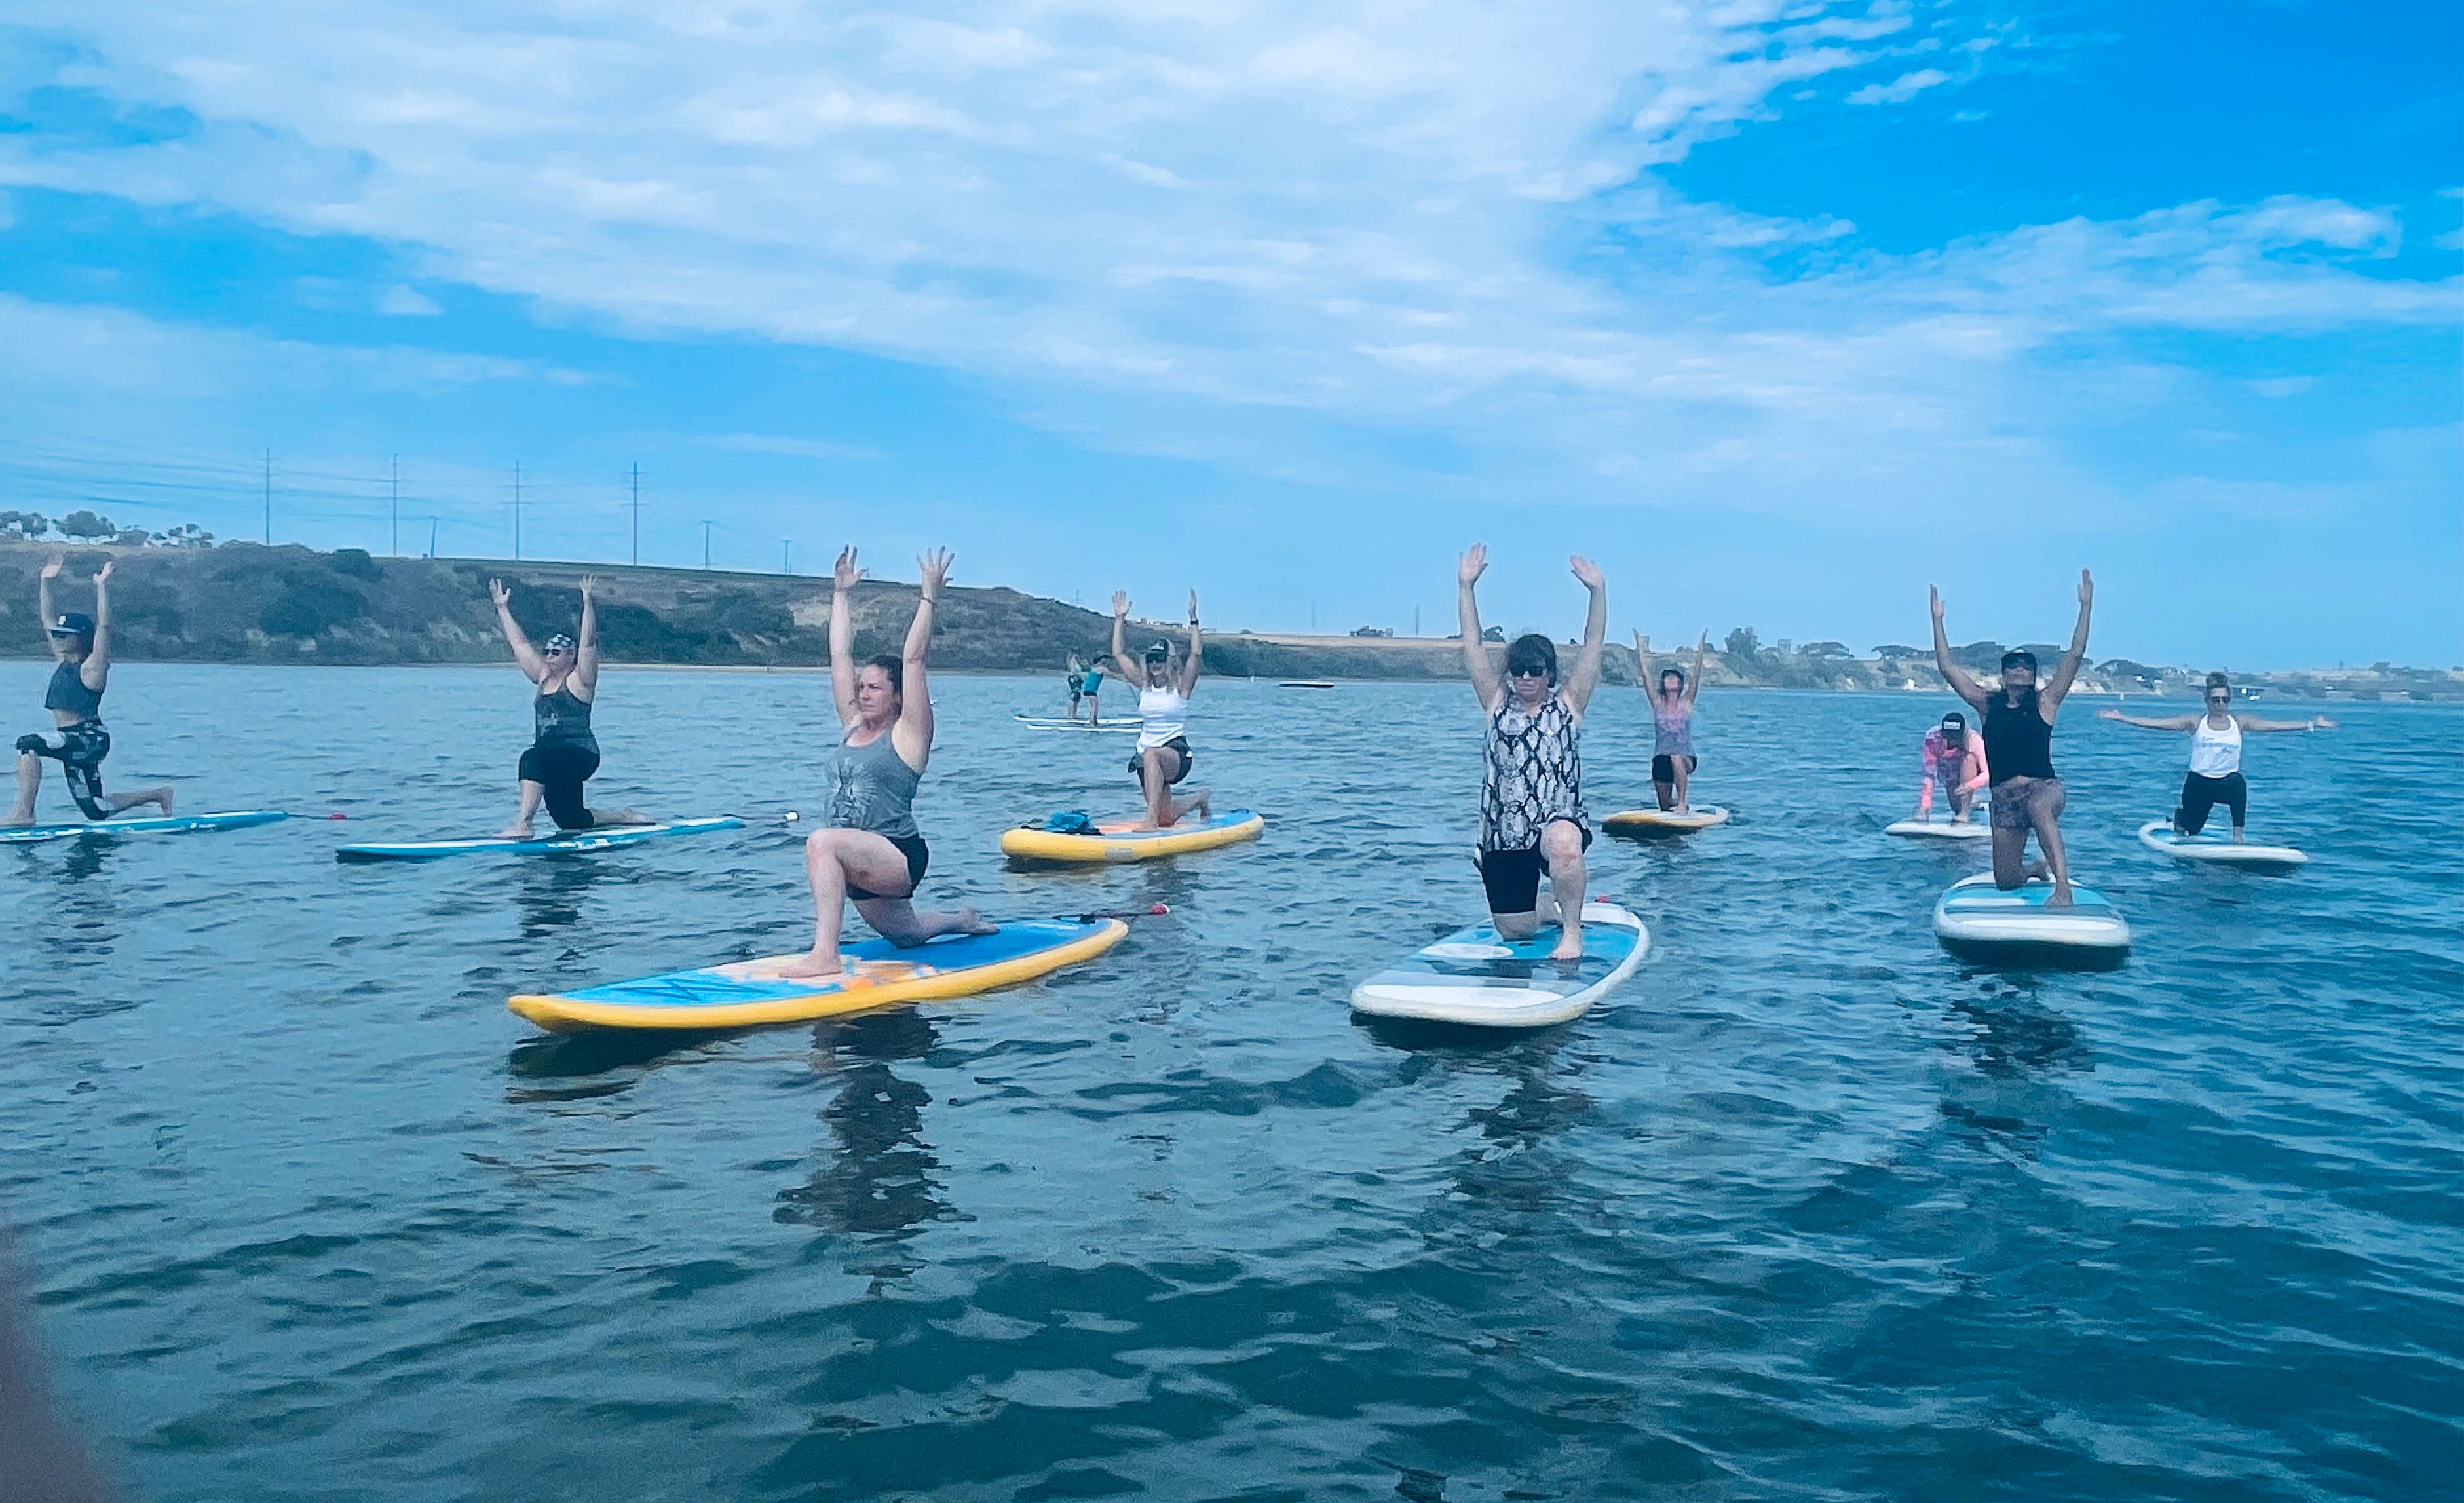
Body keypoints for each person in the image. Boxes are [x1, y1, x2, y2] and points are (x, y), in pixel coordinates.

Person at [786, 547, 996, 978]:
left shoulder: (909, 735)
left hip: (898, 856)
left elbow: (915, 660)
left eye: (875, 688)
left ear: (897, 696)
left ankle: (825, 954)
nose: (863, 694)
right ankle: (962, 920)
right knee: (908, 935)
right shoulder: (851, 726)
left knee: (821, 841)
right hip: (860, 860)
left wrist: (929, 598)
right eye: (861, 687)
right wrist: (840, 595)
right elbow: (839, 657)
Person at [1460, 545, 1607, 961]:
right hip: (1503, 831)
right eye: (1518, 669)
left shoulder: (1568, 706)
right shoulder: (1495, 703)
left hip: (1554, 819)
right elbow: (1472, 646)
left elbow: (1593, 647)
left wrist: (1598, 593)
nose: (1526, 677)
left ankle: (1572, 933)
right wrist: (1466, 587)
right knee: (1515, 929)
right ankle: (1547, 907)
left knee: (1564, 844)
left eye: (1535, 670)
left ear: (1550, 674)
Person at [1931, 571, 2094, 904]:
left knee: (2038, 806)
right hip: (2004, 796)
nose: (2021, 671)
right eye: (2014, 667)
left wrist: (2085, 608)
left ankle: (2062, 888)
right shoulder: (1987, 706)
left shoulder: (2046, 702)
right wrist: (1937, 621)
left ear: (2034, 675)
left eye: (2027, 667)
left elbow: (2075, 655)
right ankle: (2035, 868)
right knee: (2006, 880)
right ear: (2004, 675)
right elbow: (1948, 668)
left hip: (2044, 789)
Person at [10, 555, 172, 827]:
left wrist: (102, 587)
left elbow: (105, 627)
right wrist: (45, 582)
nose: (59, 639)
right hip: (71, 741)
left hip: (88, 739)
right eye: (58, 635)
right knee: (97, 811)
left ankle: (24, 814)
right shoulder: (63, 660)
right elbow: (46, 618)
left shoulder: (92, 668)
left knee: (28, 745)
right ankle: (159, 795)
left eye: (66, 635)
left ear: (83, 638)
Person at [489, 575, 650, 839]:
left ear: (570, 656)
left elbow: (588, 644)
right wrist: (502, 608)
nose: (549, 655)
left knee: (532, 758)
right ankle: (623, 817)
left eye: (556, 652)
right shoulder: (542, 677)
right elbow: (519, 644)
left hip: (580, 754)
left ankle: (523, 824)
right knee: (571, 819)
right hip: (554, 760)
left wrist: (588, 603)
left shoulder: (580, 682)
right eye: (548, 651)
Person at [2100, 672, 2333, 841]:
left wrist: (2311, 724)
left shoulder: (2239, 723)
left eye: (2225, 700)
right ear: (2207, 701)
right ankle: (2180, 818)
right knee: (2192, 830)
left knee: (2239, 785)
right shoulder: (2195, 722)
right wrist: (2123, 718)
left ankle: (2238, 837)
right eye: (2216, 700)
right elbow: (2158, 724)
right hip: (2199, 783)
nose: (2221, 704)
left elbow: (2273, 726)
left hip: (2227, 782)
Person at [1109, 589, 1211, 830]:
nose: (1155, 664)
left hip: (1176, 753)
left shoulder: (1182, 687)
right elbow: (1118, 653)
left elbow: (1196, 653)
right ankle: (1200, 799)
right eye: (1152, 659)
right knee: (1167, 817)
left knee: (1153, 753)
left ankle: (1150, 823)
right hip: (1146, 758)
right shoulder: (1143, 685)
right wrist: (1120, 619)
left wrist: (1193, 619)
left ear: (1170, 662)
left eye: (1160, 660)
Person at [1648, 631, 1710, 812]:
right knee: (1664, 806)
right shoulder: (1657, 703)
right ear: (1663, 683)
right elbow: (1646, 678)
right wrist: (1640, 650)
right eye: (1667, 677)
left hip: (1685, 758)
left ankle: (1682, 803)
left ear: (1681, 683)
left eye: (1675, 677)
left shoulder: (1687, 703)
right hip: (1661, 758)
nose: (1671, 680)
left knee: (1676, 757)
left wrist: (1701, 649)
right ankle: (1674, 804)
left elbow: (1696, 677)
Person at [1916, 710, 1990, 824]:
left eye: (1955, 738)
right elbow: (1929, 775)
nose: (1951, 742)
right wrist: (1924, 807)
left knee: (1969, 759)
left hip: (1970, 771)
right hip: (1949, 770)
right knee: (1956, 807)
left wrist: (1969, 786)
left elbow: (1987, 773)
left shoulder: (1974, 741)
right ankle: (1973, 803)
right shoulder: (1932, 739)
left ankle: (1965, 812)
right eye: (1947, 737)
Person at [1064, 651, 1088, 722]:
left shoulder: (1079, 662)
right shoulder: (1073, 661)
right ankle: (1071, 715)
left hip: (1079, 679)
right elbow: (1074, 670)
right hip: (1074, 678)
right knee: (1075, 695)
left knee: (1077, 697)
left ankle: (1074, 714)